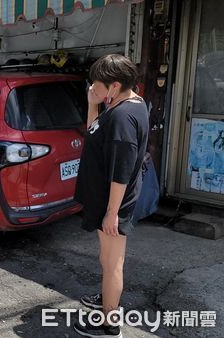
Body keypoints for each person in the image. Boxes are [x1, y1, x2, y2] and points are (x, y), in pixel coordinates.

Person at [73, 54, 149, 338]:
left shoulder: (121, 118)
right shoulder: (129, 101)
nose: (93, 87)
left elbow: (122, 171)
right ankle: (108, 297)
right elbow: (93, 133)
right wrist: (93, 104)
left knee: (113, 262)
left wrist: (112, 213)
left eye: (97, 84)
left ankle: (109, 323)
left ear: (115, 86)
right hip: (104, 197)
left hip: (112, 200)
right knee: (107, 260)